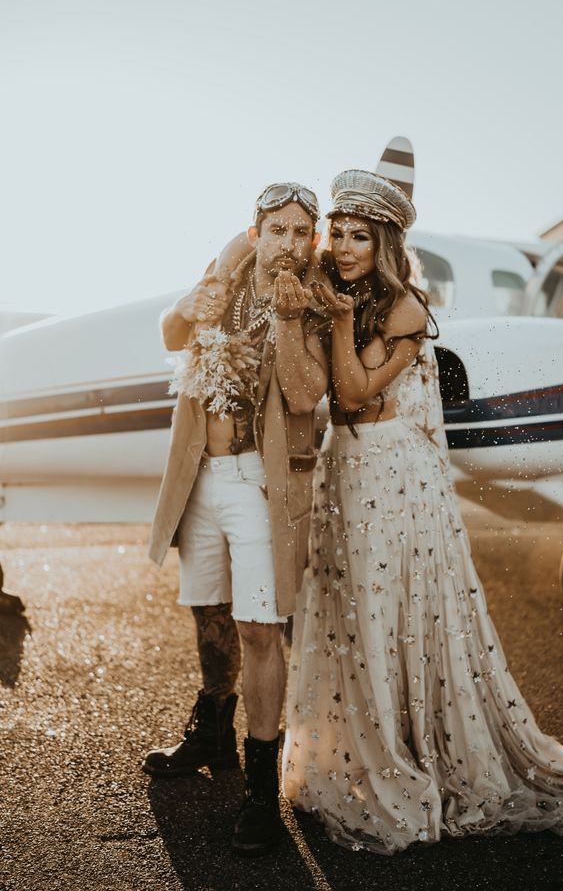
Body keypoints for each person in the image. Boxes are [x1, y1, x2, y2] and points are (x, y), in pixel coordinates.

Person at [282, 169, 563, 854]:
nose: (345, 247)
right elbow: (306, 393)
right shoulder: (340, 297)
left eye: (360, 236)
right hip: (342, 475)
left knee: (386, 614)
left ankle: (405, 759)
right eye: (339, 234)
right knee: (351, 613)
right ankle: (356, 754)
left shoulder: (404, 310)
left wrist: (340, 321)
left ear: (383, 243)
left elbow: (351, 397)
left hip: (390, 478)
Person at [146, 182, 329, 856]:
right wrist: (185, 306)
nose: (287, 242)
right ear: (255, 233)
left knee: (259, 628)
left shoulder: (311, 300)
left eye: (299, 232)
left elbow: (309, 395)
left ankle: (260, 793)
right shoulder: (222, 271)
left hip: (259, 482)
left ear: (312, 239)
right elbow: (171, 333)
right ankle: (212, 733)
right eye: (276, 229)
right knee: (208, 610)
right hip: (199, 474)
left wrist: (286, 321)